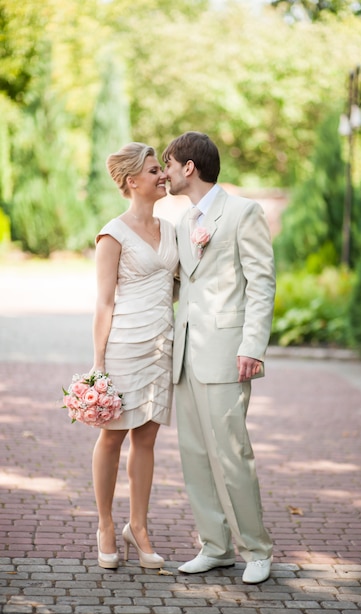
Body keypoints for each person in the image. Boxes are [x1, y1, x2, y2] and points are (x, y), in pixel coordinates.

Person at [162, 131, 276, 584]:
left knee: (232, 453)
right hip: (186, 354)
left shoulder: (243, 212)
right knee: (194, 453)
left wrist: (253, 345)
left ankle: (258, 550)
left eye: (168, 164)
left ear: (188, 167)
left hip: (228, 353)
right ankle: (215, 545)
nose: (166, 173)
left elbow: (262, 281)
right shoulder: (183, 223)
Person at [91, 142, 179, 570]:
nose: (162, 175)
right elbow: (104, 303)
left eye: (161, 169)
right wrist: (98, 365)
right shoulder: (113, 233)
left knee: (146, 439)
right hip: (125, 346)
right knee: (112, 437)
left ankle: (138, 527)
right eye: (153, 170)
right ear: (132, 182)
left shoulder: (173, 230)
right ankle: (106, 525)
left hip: (163, 347)